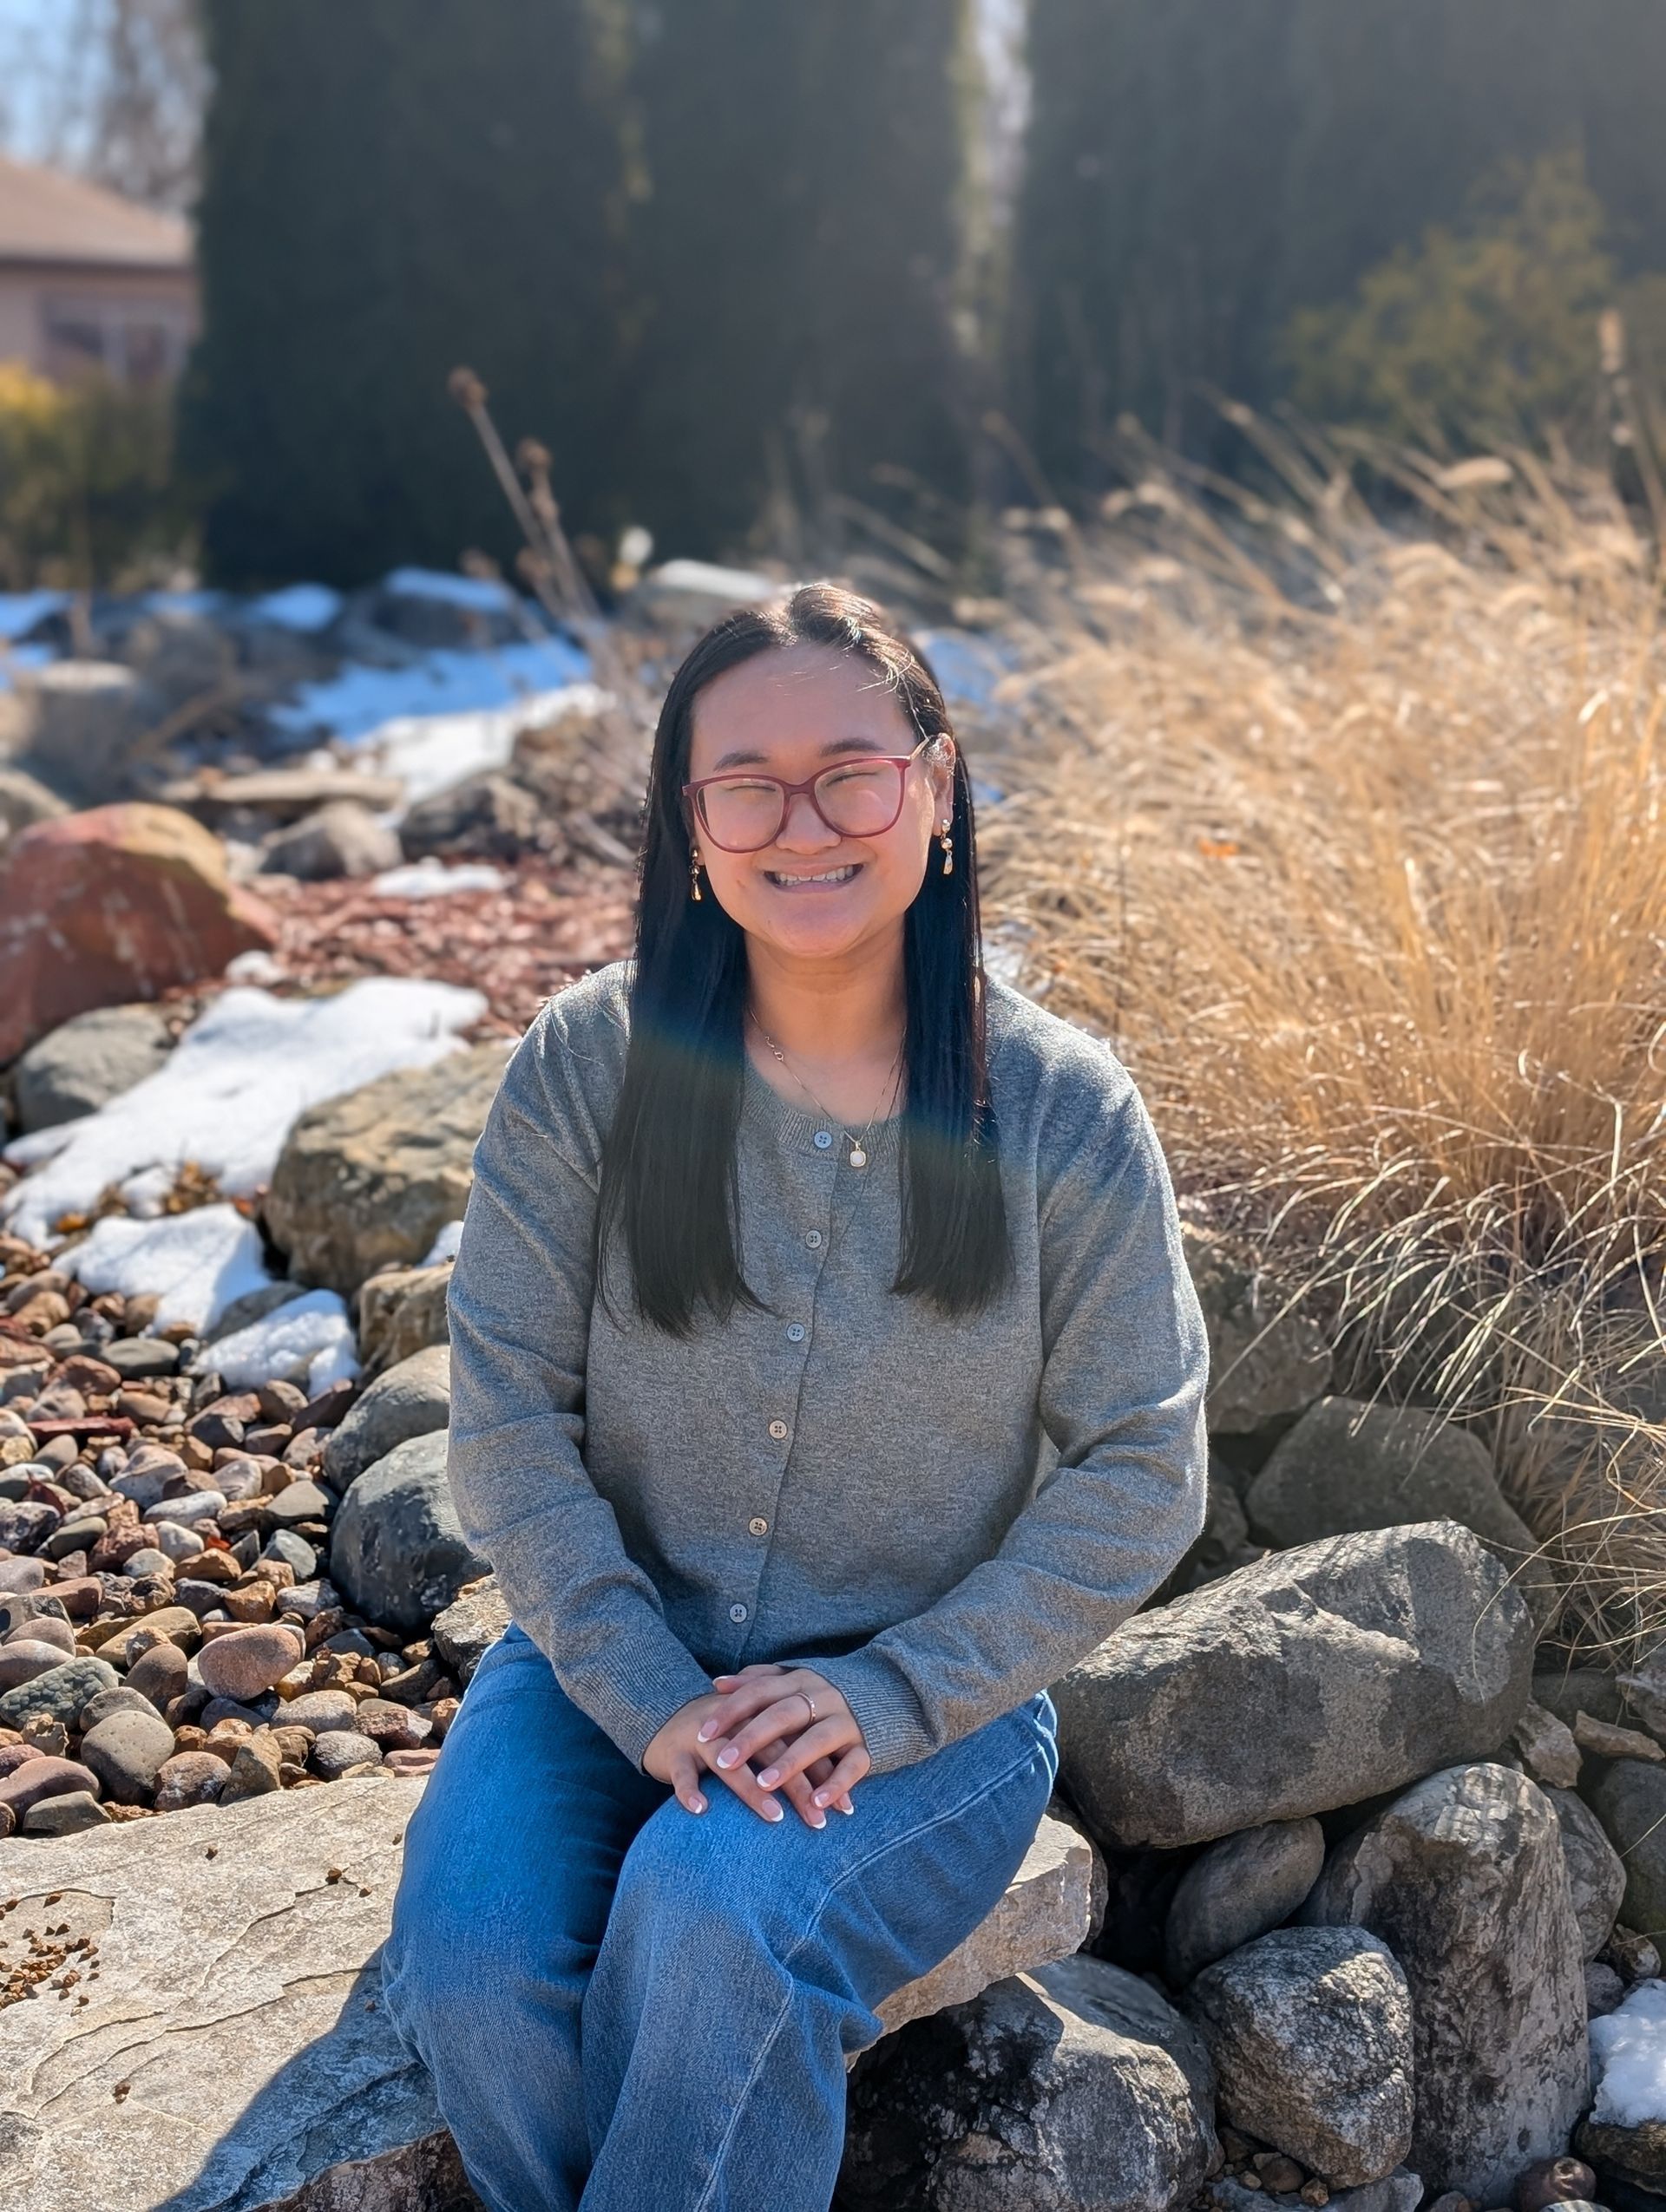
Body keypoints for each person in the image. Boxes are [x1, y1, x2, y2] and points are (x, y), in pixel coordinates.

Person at [377, 580, 1210, 2212]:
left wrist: (895, 1692)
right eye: (744, 782)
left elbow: (1143, 1463)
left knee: (715, 1911)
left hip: (927, 1718)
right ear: (691, 826)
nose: (801, 821)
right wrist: (644, 1688)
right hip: (602, 1662)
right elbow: (508, 1422)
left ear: (940, 785)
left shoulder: (1062, 1112)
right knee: (470, 1962)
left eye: (852, 769)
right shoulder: (585, 1070)